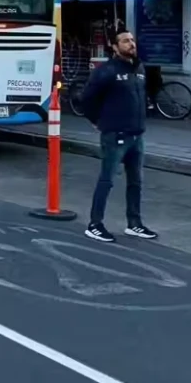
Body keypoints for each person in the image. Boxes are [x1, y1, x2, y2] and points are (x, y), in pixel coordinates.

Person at [78, 27, 156, 243]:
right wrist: (97, 121)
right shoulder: (106, 71)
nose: (131, 44)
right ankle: (95, 224)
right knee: (107, 180)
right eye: (125, 41)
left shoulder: (139, 68)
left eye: (132, 40)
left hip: (137, 134)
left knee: (136, 181)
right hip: (115, 135)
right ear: (114, 46)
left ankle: (134, 223)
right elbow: (86, 100)